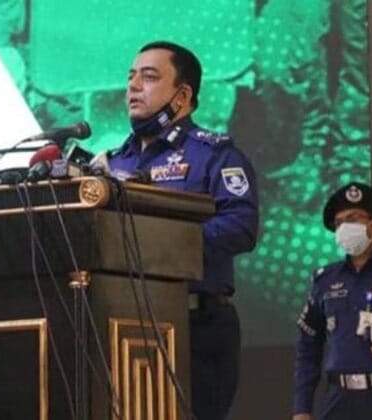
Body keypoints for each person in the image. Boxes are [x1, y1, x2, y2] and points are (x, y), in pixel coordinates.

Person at [108, 41, 260, 420]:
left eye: (149, 77)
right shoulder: (113, 162)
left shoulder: (214, 154)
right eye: (131, 77)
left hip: (195, 326)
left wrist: (161, 242)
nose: (133, 86)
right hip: (121, 323)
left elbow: (240, 227)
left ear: (183, 95)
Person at [294, 182, 372, 420]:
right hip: (339, 399)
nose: (345, 227)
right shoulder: (324, 280)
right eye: (339, 223)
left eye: (353, 218)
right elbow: (308, 347)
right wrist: (301, 409)